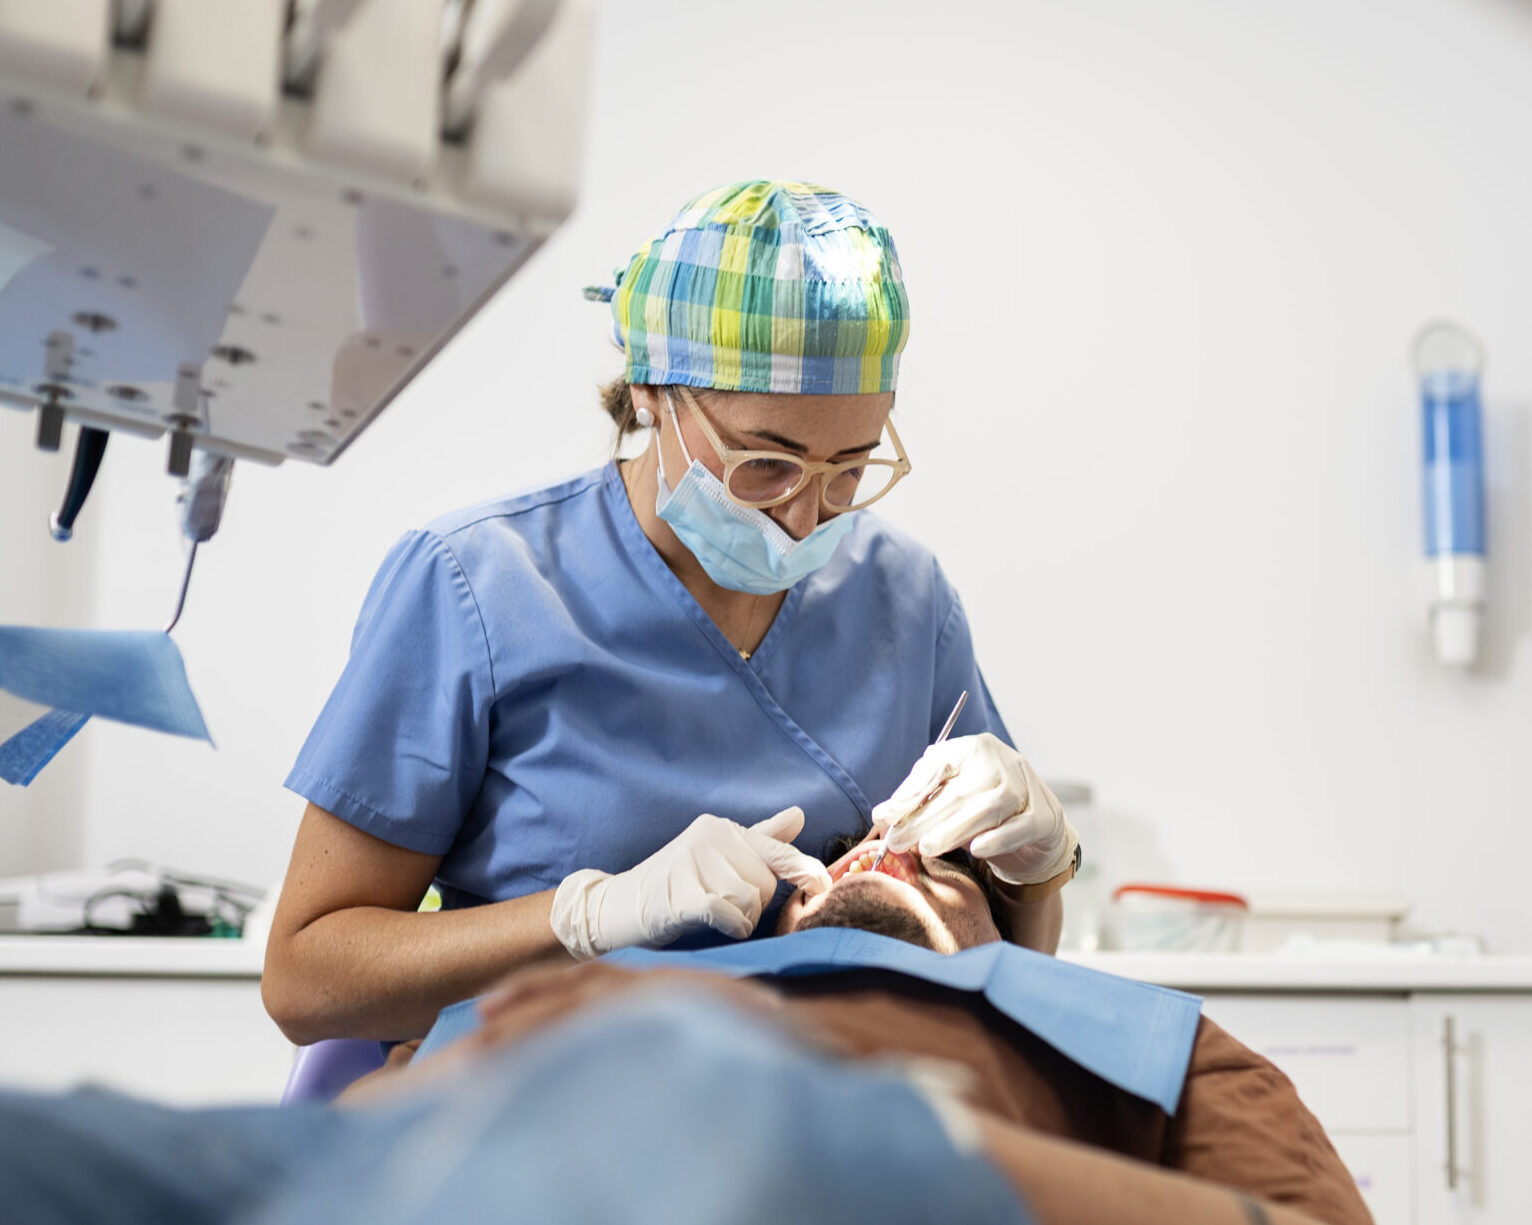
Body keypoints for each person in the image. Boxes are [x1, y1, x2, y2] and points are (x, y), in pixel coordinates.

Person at [263, 180, 1080, 1046]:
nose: (806, 517)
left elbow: (999, 971)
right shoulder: (477, 584)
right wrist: (587, 918)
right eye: (765, 462)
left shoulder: (903, 596)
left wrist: (1036, 870)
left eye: (850, 468)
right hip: (540, 1115)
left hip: (837, 1116)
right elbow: (306, 981)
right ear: (653, 394)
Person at [0, 832, 1371, 1225]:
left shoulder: (1127, 1022)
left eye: (927, 852)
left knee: (689, 1085)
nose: (874, 848)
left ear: (1000, 920)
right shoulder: (629, 976)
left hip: (738, 1131)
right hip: (370, 1166)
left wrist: (905, 1141)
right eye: (846, 851)